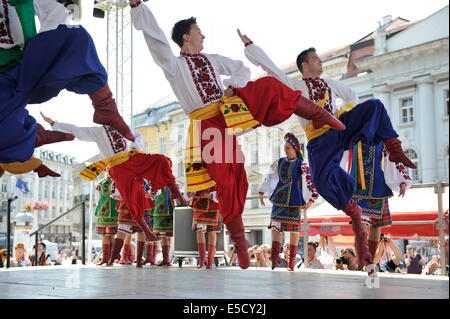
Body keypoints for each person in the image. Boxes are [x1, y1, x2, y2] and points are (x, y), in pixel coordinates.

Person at [128, 0, 345, 270]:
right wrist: (138, 6)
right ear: (186, 37)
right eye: (198, 31)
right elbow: (155, 39)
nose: (203, 35)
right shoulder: (174, 65)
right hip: (207, 125)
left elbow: (239, 68)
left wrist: (232, 87)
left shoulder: (211, 59)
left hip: (227, 112)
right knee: (230, 181)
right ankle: (241, 245)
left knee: (269, 86)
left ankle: (320, 113)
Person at [238, 32, 416, 271]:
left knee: (375, 105)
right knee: (324, 184)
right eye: (316, 59)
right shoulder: (296, 85)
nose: (320, 62)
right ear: (305, 64)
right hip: (320, 142)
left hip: (339, 131)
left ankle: (393, 148)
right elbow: (272, 69)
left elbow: (352, 95)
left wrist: (344, 114)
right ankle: (355, 218)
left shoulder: (331, 84)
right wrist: (251, 46)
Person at [0, 0, 135, 179]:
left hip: (26, 66)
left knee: (74, 35)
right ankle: (37, 137)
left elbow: (57, 15)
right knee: (6, 129)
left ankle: (105, 107)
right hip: (6, 83)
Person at [40, 113, 186, 243]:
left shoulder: (122, 126)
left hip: (132, 158)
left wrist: (136, 148)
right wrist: (54, 123)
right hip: (119, 166)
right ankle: (147, 231)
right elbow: (76, 130)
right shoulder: (96, 131)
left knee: (161, 160)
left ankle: (175, 192)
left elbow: (138, 136)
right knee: (131, 198)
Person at [259, 132, 319, 271]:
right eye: (285, 148)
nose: (285, 150)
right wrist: (262, 191)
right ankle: (274, 259)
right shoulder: (279, 162)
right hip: (279, 199)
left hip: (294, 200)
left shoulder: (302, 164)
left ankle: (291, 262)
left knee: (294, 231)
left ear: (295, 150)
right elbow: (271, 178)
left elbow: (309, 181)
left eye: (288, 148)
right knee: (276, 229)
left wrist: (310, 199)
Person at [343, 141, 412, 261]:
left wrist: (401, 180)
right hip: (356, 186)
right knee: (359, 223)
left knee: (376, 225)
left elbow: (393, 157)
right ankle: (362, 259)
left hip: (377, 186)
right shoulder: (352, 134)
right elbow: (339, 154)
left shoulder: (382, 137)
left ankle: (369, 261)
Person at [188, 186, 223, 269]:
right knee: (199, 230)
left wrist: (211, 196)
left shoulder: (217, 173)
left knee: (212, 231)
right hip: (199, 203)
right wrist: (190, 193)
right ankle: (202, 260)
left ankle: (210, 261)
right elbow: (189, 184)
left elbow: (223, 187)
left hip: (214, 204)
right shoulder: (196, 172)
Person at [94, 177, 120, 266]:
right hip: (104, 211)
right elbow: (96, 197)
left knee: (112, 234)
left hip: (113, 210)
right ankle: (106, 258)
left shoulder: (117, 181)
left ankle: (110, 258)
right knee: (104, 234)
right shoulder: (101, 182)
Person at [151, 187, 177, 267]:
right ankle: (166, 259)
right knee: (165, 236)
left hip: (167, 209)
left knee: (166, 236)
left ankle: (166, 259)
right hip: (162, 209)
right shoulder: (159, 183)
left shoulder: (158, 182)